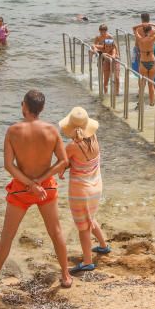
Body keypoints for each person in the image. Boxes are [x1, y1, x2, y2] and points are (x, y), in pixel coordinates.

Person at [0, 90, 72, 292]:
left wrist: (30, 184)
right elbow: (63, 161)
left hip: (21, 188)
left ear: (24, 106)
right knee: (55, 232)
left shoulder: (13, 131)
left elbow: (8, 165)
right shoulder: (52, 130)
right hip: (45, 187)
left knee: (7, 235)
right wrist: (39, 181)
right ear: (42, 108)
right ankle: (66, 276)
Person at [59, 107, 110, 273]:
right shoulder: (94, 139)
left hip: (81, 191)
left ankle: (87, 261)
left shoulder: (72, 146)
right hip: (96, 186)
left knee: (83, 228)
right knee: (90, 218)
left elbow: (62, 165)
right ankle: (103, 246)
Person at [132, 23, 155, 106]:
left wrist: (142, 24)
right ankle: (152, 102)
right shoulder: (152, 38)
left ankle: (140, 102)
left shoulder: (139, 39)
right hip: (152, 62)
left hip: (143, 62)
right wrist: (150, 23)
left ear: (144, 30)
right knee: (151, 84)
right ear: (150, 31)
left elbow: (134, 28)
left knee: (142, 84)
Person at [92, 24, 120, 95]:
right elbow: (94, 44)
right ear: (99, 31)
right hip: (102, 53)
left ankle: (116, 92)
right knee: (103, 71)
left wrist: (117, 54)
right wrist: (95, 50)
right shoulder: (98, 37)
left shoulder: (109, 37)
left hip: (109, 54)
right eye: (101, 31)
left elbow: (115, 46)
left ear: (106, 31)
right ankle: (105, 90)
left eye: (104, 31)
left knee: (115, 76)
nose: (103, 32)